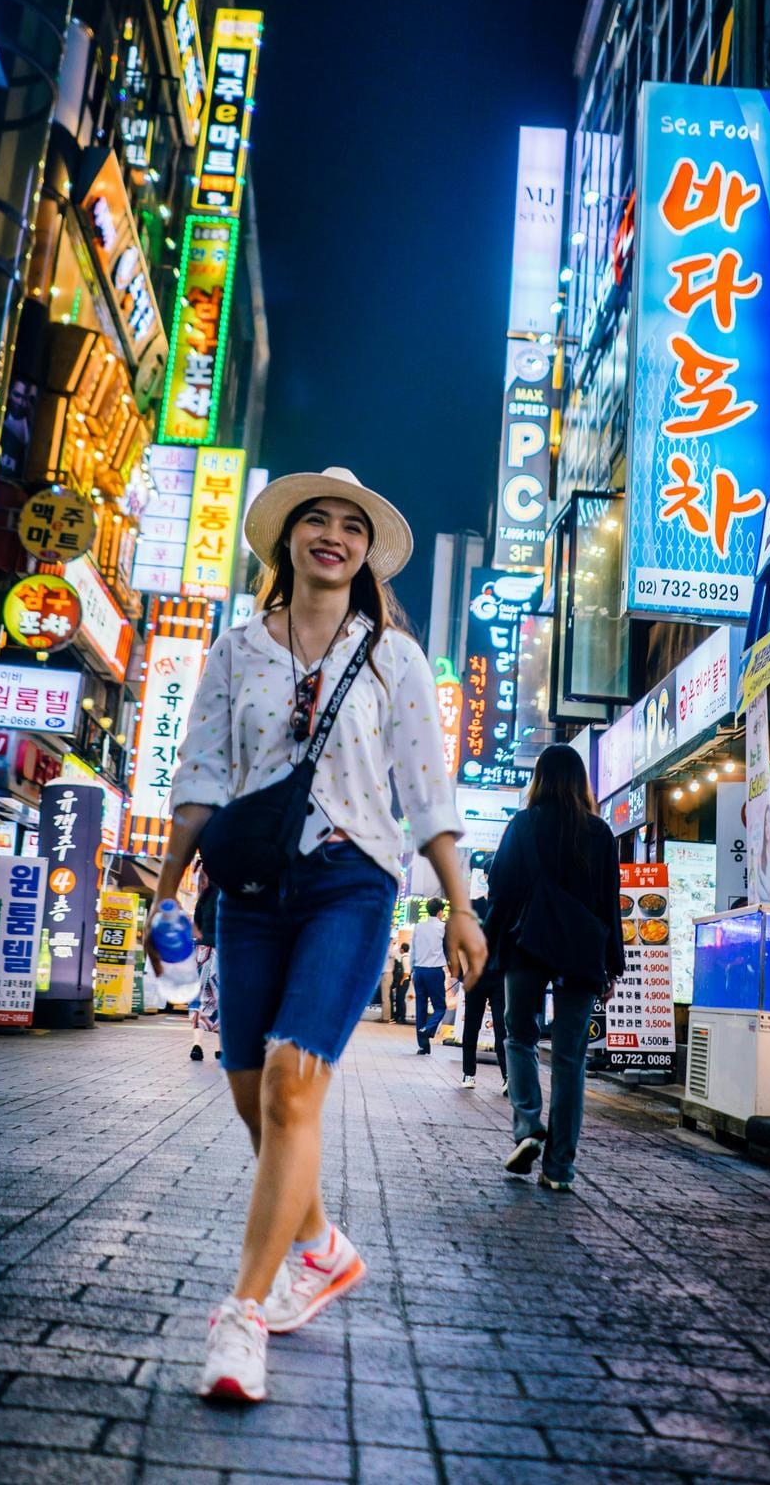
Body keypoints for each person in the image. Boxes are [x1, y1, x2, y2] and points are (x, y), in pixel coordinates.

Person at [144, 466, 486, 1404]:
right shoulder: (234, 650)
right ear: (286, 539)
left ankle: (242, 1316)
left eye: (351, 526)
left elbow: (426, 791)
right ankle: (321, 1246)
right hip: (246, 887)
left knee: (297, 1086)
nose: (333, 535)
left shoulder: (395, 659)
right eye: (315, 521)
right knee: (257, 1098)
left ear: (367, 553)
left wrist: (459, 905)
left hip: (352, 882)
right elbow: (202, 774)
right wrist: (167, 891)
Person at [485, 744, 623, 1193]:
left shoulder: (522, 825)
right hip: (583, 951)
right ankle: (559, 1169)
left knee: (519, 1036)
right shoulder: (600, 833)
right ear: (581, 781)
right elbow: (609, 903)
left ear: (539, 778)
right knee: (569, 1060)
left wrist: (485, 942)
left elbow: (501, 890)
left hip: (527, 944)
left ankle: (528, 1128)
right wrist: (612, 965)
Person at [459, 890, 507, 1091]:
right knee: (471, 1026)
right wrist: (465, 972)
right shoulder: (474, 906)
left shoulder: (508, 907)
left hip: (499, 976)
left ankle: (508, 1077)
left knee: (502, 1028)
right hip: (476, 976)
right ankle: (468, 1073)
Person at [410, 898, 449, 1054]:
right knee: (440, 1007)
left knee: (421, 1008)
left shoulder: (418, 927)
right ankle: (429, 1028)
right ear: (440, 912)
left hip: (419, 970)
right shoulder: (443, 928)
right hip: (434, 971)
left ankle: (423, 1046)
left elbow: (413, 950)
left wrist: (412, 970)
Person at [190, 869, 221, 1064]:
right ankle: (221, 1049)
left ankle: (197, 1045)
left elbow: (196, 924)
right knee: (223, 1000)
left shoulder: (206, 894)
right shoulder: (237, 892)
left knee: (201, 998)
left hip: (203, 951)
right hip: (226, 951)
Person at [392, 941, 411, 1022]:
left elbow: (407, 971)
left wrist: (402, 981)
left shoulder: (405, 958)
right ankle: (399, 1016)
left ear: (403, 949)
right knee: (399, 999)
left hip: (404, 981)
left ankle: (402, 1017)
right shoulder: (406, 957)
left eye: (400, 948)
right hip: (404, 981)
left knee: (401, 999)